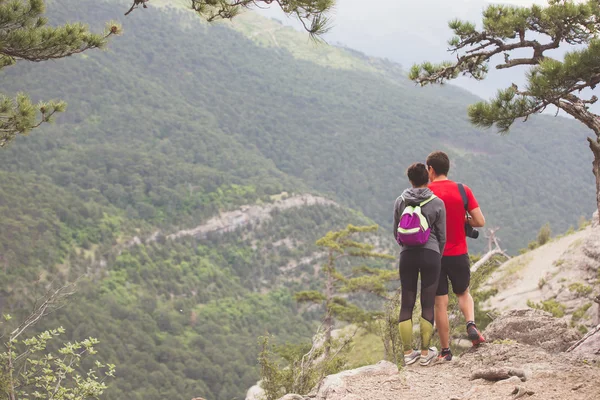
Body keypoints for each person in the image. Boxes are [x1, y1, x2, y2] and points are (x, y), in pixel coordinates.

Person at [426, 151, 486, 362]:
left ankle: (445, 351)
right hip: (459, 253)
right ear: (447, 168)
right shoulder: (463, 190)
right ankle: (471, 324)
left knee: (440, 304)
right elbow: (480, 221)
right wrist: (464, 219)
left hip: (434, 255)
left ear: (431, 170)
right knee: (463, 293)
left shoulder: (425, 192)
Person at [393, 163, 446, 366]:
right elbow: (442, 236)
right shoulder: (437, 202)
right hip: (431, 254)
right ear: (428, 178)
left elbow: (396, 231)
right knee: (427, 301)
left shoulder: (400, 201)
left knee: (407, 302)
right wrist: (436, 255)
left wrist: (406, 246)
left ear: (410, 180)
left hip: (407, 254)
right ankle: (425, 353)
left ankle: (408, 353)